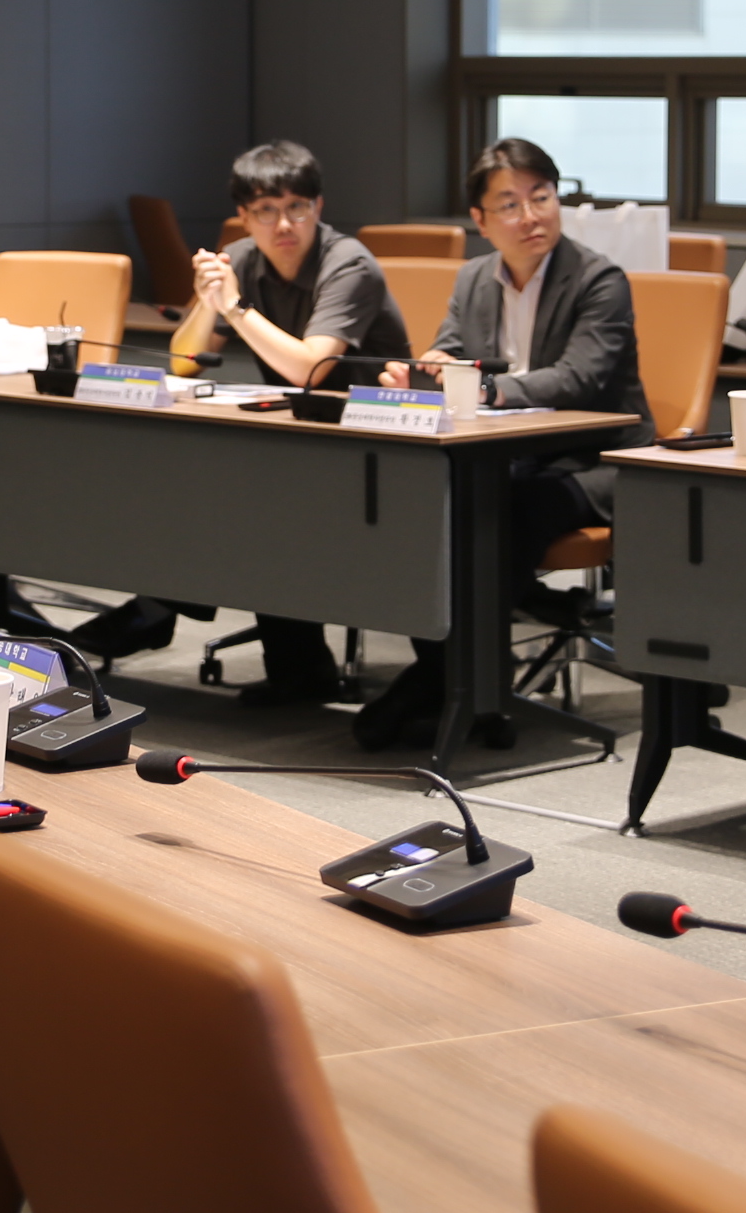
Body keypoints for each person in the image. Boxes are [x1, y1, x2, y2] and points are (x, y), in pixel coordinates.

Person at [75, 141, 414, 699]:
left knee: (254, 494)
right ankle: (281, 661)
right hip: (301, 435)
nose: (283, 224)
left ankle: (161, 611)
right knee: (215, 478)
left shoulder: (348, 263)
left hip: (380, 443)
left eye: (296, 207)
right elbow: (185, 360)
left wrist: (234, 307)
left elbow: (310, 367)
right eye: (265, 211)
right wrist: (207, 301)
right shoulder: (241, 259)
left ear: (318, 206)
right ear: (244, 216)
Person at [350, 137, 644, 752]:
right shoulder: (474, 278)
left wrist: (486, 389)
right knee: (429, 508)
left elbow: (580, 379)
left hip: (603, 461)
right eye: (510, 205)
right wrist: (425, 368)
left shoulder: (599, 280)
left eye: (542, 197)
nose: (531, 216)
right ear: (481, 221)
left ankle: (446, 684)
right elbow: (452, 349)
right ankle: (461, 678)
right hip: (513, 457)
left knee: (508, 513)